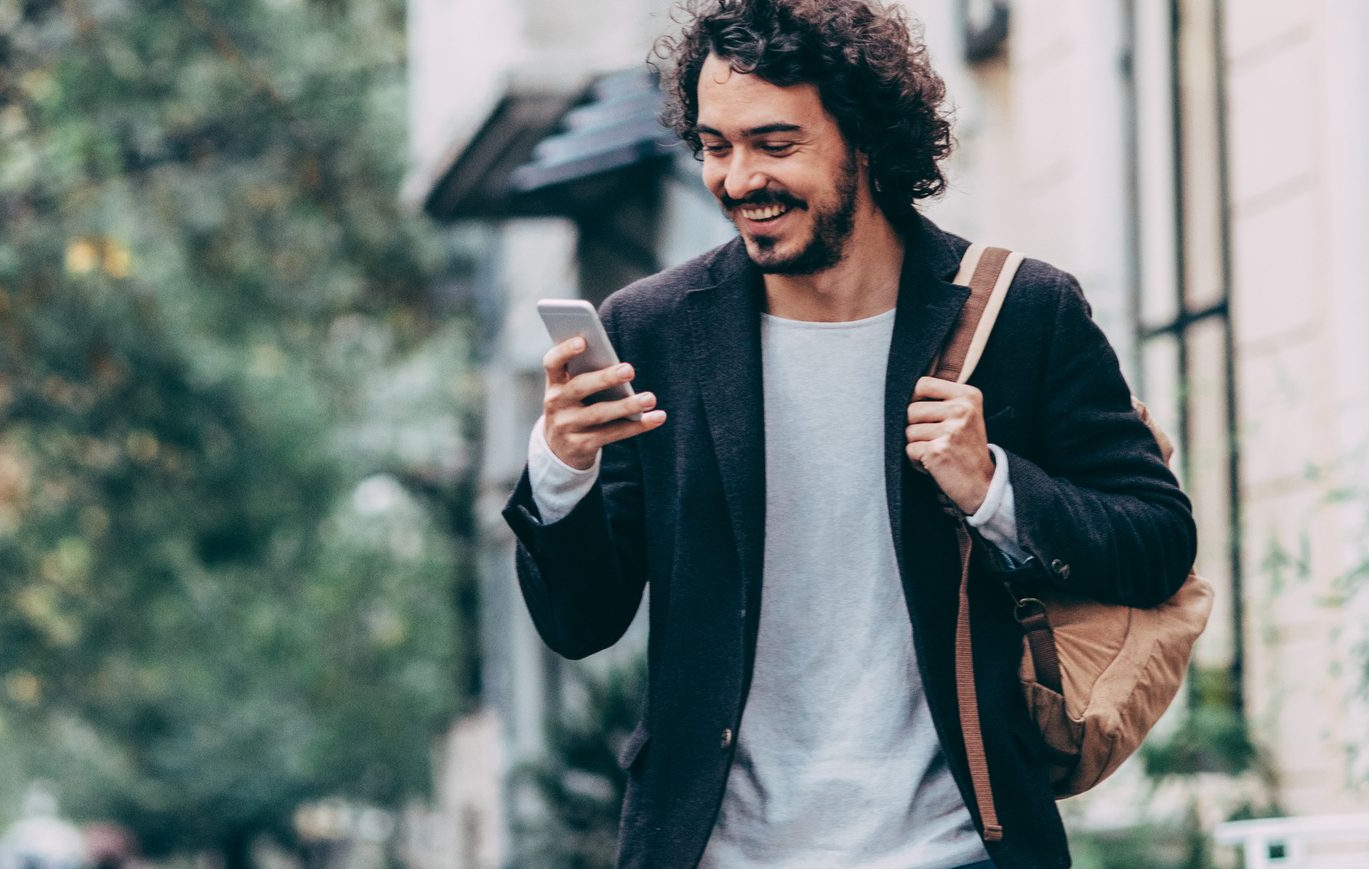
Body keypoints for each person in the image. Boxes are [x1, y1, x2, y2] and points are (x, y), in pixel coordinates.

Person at [500, 1, 1197, 866]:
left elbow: (1158, 544)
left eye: (775, 144)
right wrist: (560, 467)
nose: (738, 178)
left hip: (956, 848)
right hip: (716, 850)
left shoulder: (1021, 312)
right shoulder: (653, 331)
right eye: (716, 146)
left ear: (864, 141)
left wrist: (994, 488)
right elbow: (579, 622)